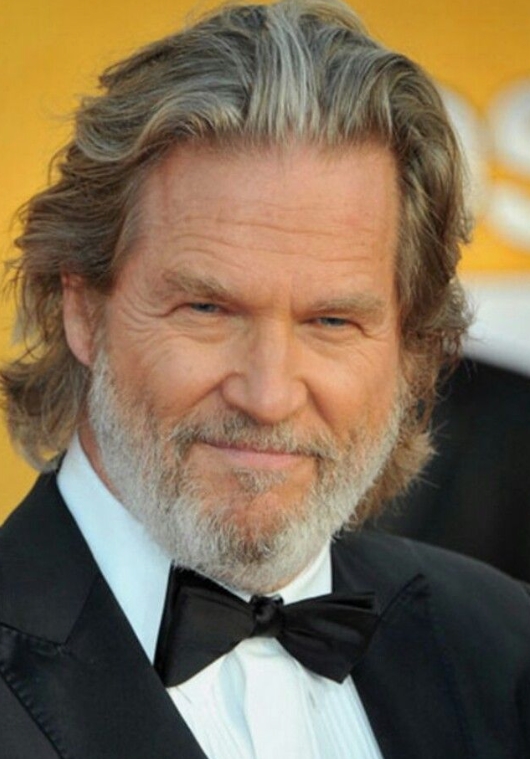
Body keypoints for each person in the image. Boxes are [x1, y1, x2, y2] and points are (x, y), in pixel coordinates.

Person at [0, 1, 528, 757]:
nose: (269, 394)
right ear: (82, 310)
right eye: (208, 308)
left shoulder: (505, 650)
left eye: (331, 321)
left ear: (410, 350)